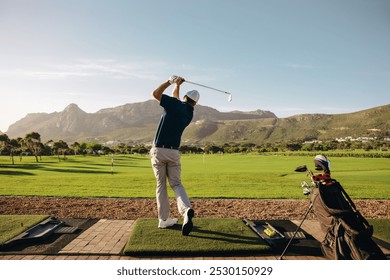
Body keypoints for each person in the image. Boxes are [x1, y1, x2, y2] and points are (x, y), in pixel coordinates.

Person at [150, 75, 200, 236]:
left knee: (161, 185)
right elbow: (176, 99)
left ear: (185, 98)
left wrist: (170, 81)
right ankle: (186, 211)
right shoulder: (189, 112)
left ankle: (164, 219)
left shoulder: (174, 104)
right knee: (176, 184)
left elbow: (155, 94)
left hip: (159, 150)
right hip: (174, 152)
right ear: (195, 103)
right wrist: (177, 86)